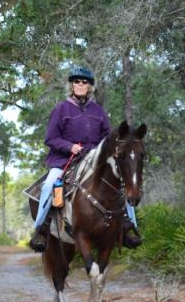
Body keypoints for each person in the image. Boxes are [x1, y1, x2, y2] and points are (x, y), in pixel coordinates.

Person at [29, 66, 142, 253]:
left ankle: (128, 228)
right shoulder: (61, 109)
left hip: (94, 160)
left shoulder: (98, 111)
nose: (81, 85)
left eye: (85, 82)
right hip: (65, 160)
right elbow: (50, 138)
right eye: (77, 81)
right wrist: (70, 146)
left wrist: (104, 150)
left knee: (122, 183)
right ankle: (40, 230)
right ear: (72, 85)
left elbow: (108, 138)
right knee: (49, 185)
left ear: (89, 87)